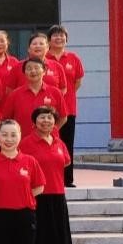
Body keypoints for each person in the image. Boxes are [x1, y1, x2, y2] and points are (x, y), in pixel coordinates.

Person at [21, 106, 74, 244]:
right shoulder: (26, 143)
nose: (46, 121)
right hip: (36, 193)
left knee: (54, 230)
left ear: (55, 122)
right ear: (34, 121)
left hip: (57, 192)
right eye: (42, 117)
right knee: (37, 230)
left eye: (50, 118)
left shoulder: (59, 143)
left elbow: (66, 162)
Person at [45, 25, 84, 186]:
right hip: (47, 110)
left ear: (66, 39)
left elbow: (77, 82)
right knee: (48, 144)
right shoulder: (44, 58)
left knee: (67, 144)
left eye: (62, 36)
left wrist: (63, 98)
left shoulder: (73, 58)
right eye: (55, 35)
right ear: (49, 40)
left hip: (68, 109)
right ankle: (49, 178)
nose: (59, 38)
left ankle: (67, 179)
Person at [2, 58, 66, 137]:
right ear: (24, 73)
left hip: (48, 141)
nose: (33, 71)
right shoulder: (15, 94)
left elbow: (63, 117)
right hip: (22, 141)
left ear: (44, 71)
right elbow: (6, 119)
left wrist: (51, 131)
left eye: (36, 68)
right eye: (29, 68)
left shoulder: (55, 93)